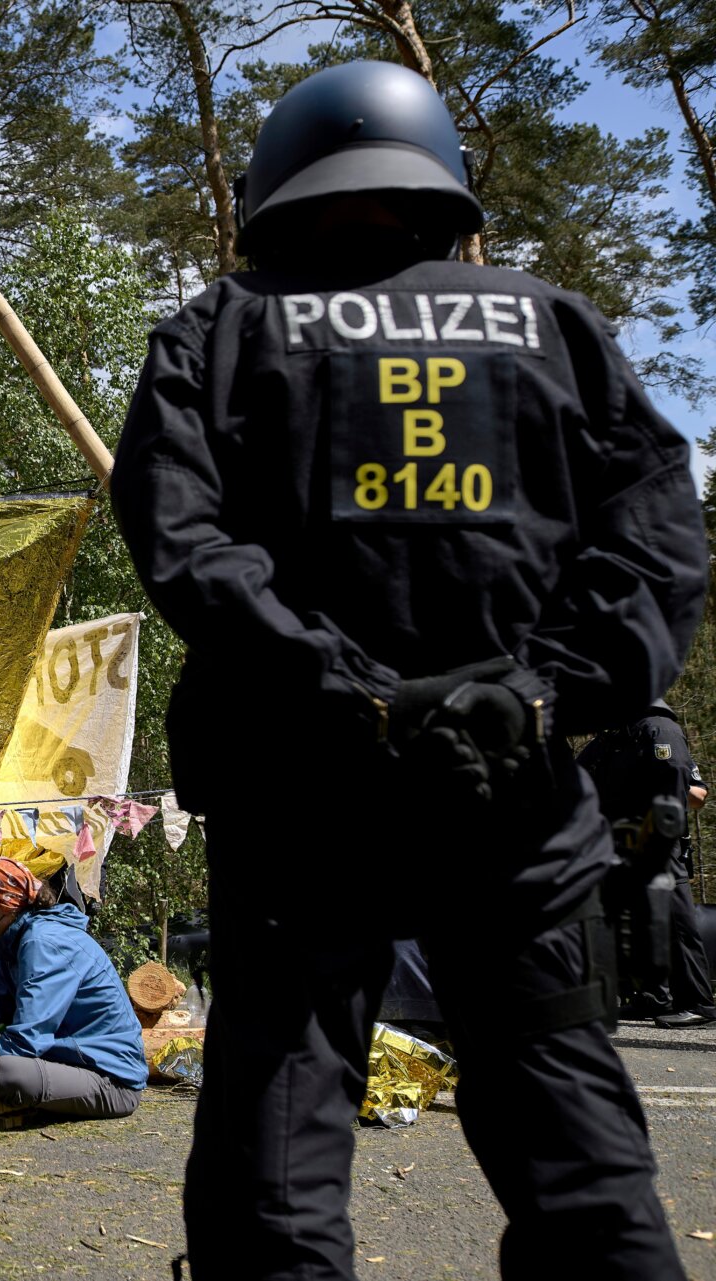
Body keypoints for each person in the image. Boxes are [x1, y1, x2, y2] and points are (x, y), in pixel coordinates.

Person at [113, 61, 704, 1281]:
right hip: (521, 806)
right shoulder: (560, 331)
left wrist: (344, 690)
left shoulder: (220, 333)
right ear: (441, 185)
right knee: (581, 1168)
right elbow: (655, 551)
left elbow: (185, 547)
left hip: (301, 807)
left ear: (268, 189)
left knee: (275, 1170)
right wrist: (540, 692)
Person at [0, 858, 146, 1123]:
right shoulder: (9, 939)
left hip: (111, 1079)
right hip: (66, 1059)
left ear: (3, 906)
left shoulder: (44, 943)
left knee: (6, 1071)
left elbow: (28, 1037)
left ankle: (10, 1106)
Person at [579, 703, 716, 1029]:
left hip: (655, 839)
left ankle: (696, 1002)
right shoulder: (610, 738)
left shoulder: (658, 728)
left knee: (675, 922)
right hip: (614, 845)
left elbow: (693, 792)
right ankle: (651, 997)